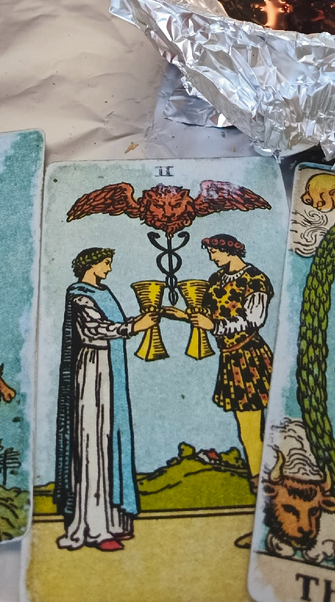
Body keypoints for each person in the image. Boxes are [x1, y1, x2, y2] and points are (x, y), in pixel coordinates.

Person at [54, 247, 158, 552]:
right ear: (90, 265)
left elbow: (112, 325)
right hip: (91, 370)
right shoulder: (80, 294)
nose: (109, 269)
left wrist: (138, 321)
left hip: (110, 369)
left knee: (111, 441)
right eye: (105, 263)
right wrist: (133, 327)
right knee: (92, 442)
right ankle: (93, 527)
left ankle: (113, 521)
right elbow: (93, 329)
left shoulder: (104, 291)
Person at [165, 233, 274, 487]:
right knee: (246, 425)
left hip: (250, 357)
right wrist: (184, 316)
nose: (211, 257)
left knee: (253, 424)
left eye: (214, 252)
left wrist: (213, 326)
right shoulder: (215, 279)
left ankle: (261, 478)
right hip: (230, 359)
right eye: (210, 253)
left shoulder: (255, 279)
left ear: (229, 251)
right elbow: (206, 313)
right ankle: (263, 473)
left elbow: (254, 320)